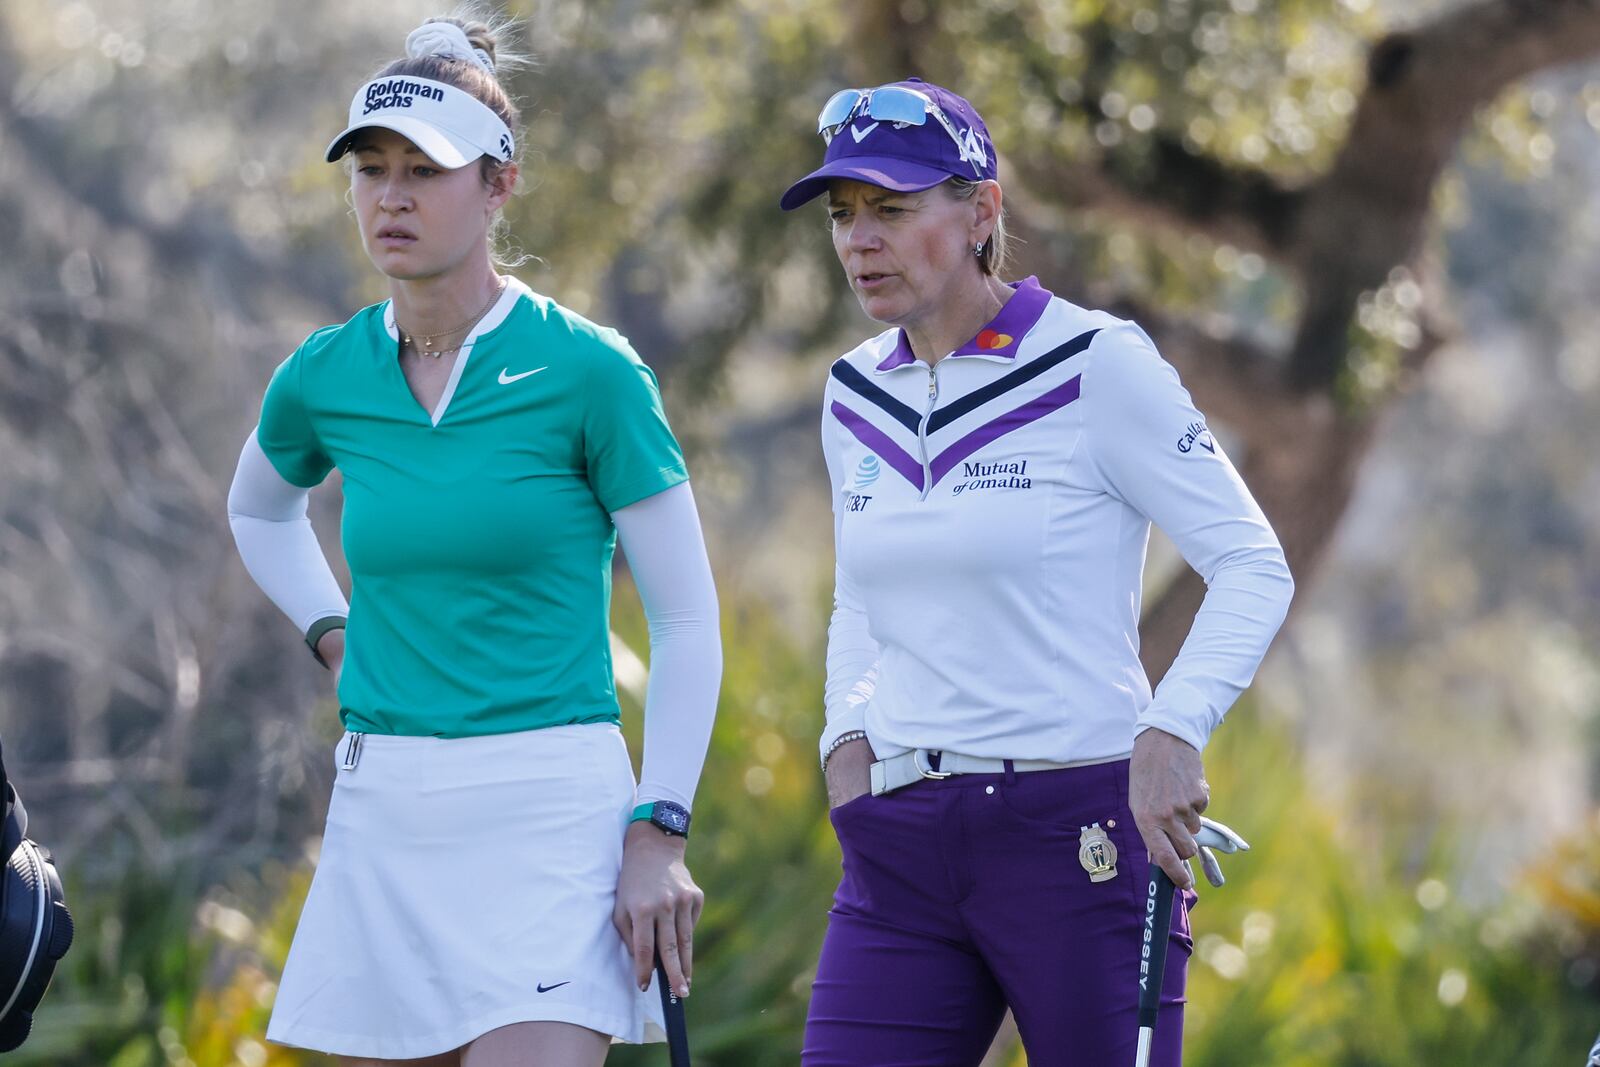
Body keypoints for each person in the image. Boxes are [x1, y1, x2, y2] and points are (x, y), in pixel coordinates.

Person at [226, 13, 721, 1067]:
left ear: (499, 184)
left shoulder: (590, 371)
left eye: (425, 170)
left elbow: (683, 616)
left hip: (550, 811)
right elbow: (258, 509)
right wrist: (329, 628)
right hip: (383, 808)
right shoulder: (327, 372)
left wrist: (657, 827)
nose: (391, 196)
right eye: (371, 169)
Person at [779, 79, 1295, 1066]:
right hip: (902, 841)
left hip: (1080, 836)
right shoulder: (852, 394)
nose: (858, 240)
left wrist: (1172, 726)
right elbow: (861, 598)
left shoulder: (1097, 363)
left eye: (890, 208)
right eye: (844, 216)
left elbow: (1249, 561)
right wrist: (846, 737)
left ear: (981, 212)